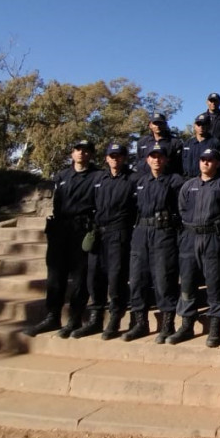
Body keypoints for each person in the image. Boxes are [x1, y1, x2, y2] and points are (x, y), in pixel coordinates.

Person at [23, 139, 99, 338]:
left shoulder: (98, 176)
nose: (81, 153)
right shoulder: (62, 175)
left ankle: (74, 318)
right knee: (55, 276)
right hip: (60, 229)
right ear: (72, 153)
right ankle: (52, 316)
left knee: (80, 277)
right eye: (77, 150)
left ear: (91, 154)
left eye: (85, 150)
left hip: (82, 230)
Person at [172, 147, 220, 348]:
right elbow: (182, 209)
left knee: (214, 282)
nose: (206, 163)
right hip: (190, 238)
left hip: (213, 239)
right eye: (203, 159)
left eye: (210, 160)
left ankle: (215, 327)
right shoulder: (188, 185)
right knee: (188, 283)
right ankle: (187, 324)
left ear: (217, 163)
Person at [71, 142, 136, 340]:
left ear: (124, 158)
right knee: (94, 277)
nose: (115, 159)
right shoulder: (99, 178)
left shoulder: (133, 179)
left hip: (119, 233)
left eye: (118, 155)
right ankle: (95, 318)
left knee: (116, 278)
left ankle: (115, 317)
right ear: (106, 158)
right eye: (111, 155)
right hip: (98, 233)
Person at [124, 143, 184, 343]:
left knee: (163, 278)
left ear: (166, 160)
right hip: (141, 232)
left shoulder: (174, 180)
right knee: (138, 278)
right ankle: (140, 323)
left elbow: (182, 207)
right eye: (153, 156)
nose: (156, 160)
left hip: (164, 232)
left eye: (160, 156)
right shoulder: (140, 181)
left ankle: (167, 324)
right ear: (147, 159)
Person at [183, 113, 220, 178]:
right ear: (194, 126)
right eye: (198, 124)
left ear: (209, 126)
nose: (201, 127)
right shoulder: (187, 144)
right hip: (189, 180)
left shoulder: (215, 143)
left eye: (204, 124)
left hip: (209, 180)